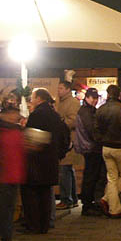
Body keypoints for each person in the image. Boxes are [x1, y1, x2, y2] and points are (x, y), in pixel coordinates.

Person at [21, 88, 68, 233]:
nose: (31, 101)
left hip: (36, 162)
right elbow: (65, 136)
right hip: (50, 161)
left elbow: (30, 139)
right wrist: (58, 154)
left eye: (33, 98)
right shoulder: (55, 115)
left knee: (32, 194)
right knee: (46, 194)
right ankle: (44, 225)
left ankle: (34, 225)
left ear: (39, 98)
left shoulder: (37, 115)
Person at [95, 84, 121, 218]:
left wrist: (102, 141)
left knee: (111, 178)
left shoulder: (100, 109)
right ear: (119, 95)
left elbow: (96, 130)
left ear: (107, 94)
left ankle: (114, 209)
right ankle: (106, 200)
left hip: (106, 147)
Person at [0, 102, 25, 241]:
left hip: (13, 173)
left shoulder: (16, 131)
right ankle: (4, 232)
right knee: (4, 205)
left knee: (8, 205)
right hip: (3, 173)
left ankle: (5, 231)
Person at [76, 88, 106, 215]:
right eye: (92, 98)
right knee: (90, 176)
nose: (94, 100)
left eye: (96, 98)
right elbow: (91, 130)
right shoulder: (85, 112)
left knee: (93, 175)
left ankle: (90, 203)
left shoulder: (90, 110)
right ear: (86, 98)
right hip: (90, 148)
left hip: (92, 147)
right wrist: (102, 139)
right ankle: (87, 205)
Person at [56, 79, 81, 209]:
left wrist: (59, 123)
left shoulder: (72, 103)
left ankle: (67, 199)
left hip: (68, 140)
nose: (58, 91)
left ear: (67, 89)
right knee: (67, 170)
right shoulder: (62, 102)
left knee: (65, 169)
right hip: (65, 139)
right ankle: (72, 198)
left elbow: (73, 120)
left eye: (61, 88)